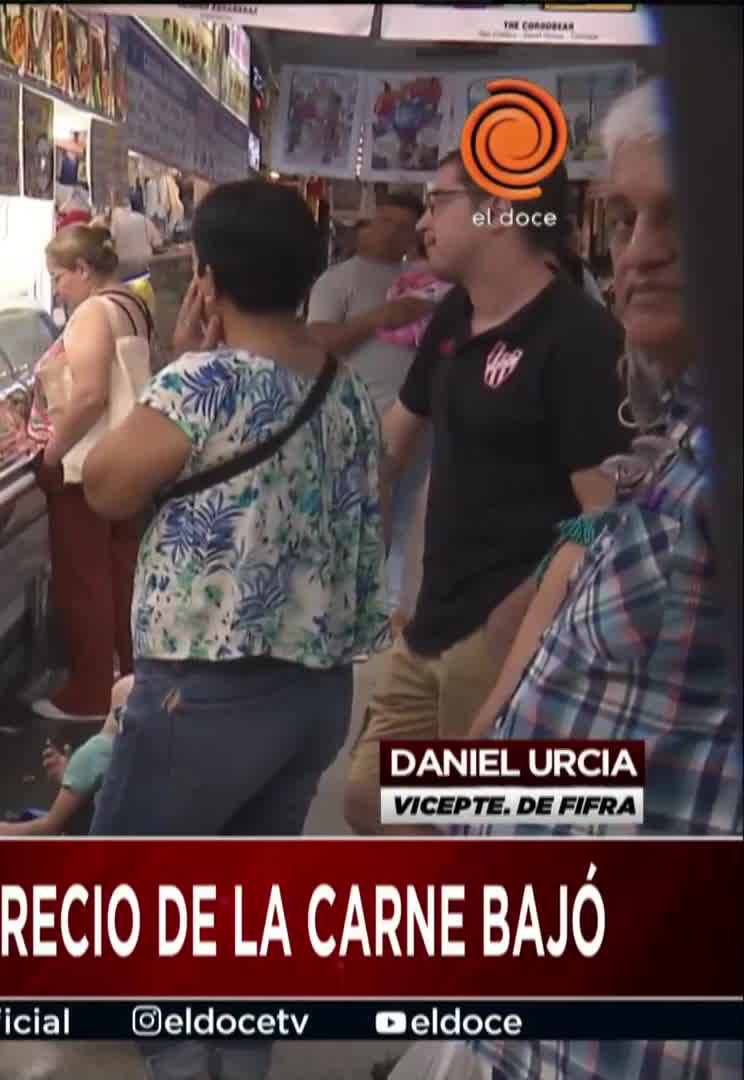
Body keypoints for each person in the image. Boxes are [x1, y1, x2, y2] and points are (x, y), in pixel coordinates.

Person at [391, 80, 744, 1080]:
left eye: (688, 214)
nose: (639, 251)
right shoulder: (679, 421)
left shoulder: (584, 345)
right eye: (626, 217)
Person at [79, 180, 386, 1080]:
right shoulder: (347, 393)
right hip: (312, 699)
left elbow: (105, 485)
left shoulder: (203, 383)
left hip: (203, 702)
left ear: (206, 279)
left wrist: (181, 358)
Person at [343, 153, 631, 836]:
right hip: (428, 621)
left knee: (477, 827)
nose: (424, 222)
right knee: (368, 799)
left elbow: (603, 516)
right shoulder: (453, 319)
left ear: (500, 212)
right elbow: (395, 442)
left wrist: (516, 615)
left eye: (439, 201)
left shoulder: (582, 340)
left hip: (508, 634)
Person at [29, 222, 153, 722]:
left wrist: (52, 455)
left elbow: (89, 395)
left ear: (83, 270)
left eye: (59, 277)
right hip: (128, 458)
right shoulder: (133, 303)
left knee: (84, 579)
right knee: (121, 572)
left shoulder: (94, 313)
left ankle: (90, 691)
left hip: (88, 464)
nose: (57, 289)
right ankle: (127, 679)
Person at [306, 192, 438, 631]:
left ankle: (395, 613)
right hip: (358, 418)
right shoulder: (337, 281)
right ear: (365, 225)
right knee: (361, 516)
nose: (392, 232)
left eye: (404, 226)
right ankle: (355, 606)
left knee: (409, 520)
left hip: (421, 421)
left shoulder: (423, 279)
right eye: (384, 221)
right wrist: (380, 317)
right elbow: (318, 343)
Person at [0, 676, 131, 837]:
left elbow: (49, 827)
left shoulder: (97, 752)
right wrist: (74, 779)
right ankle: (75, 792)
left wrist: (4, 832)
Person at [99, 194, 166, 277]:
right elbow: (157, 244)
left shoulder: (109, 223)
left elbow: (107, 246)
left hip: (121, 270)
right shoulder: (144, 219)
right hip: (143, 269)